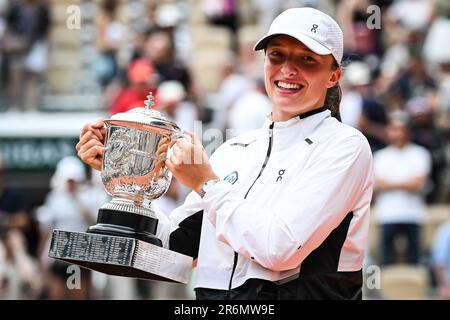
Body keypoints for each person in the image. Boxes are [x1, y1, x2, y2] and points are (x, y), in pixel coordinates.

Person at [76, 7, 373, 300]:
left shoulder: (344, 145)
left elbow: (278, 249)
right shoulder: (233, 150)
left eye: (307, 59)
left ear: (333, 76)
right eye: (277, 55)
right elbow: (173, 248)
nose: (287, 69)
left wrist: (206, 184)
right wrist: (128, 175)